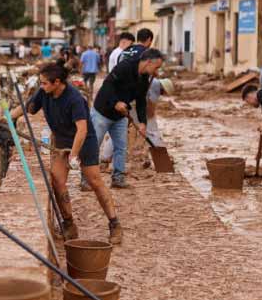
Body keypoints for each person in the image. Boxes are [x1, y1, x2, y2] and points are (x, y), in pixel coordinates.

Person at [9, 62, 123, 244]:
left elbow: (82, 130)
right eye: (41, 83)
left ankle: (114, 223)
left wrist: (73, 156)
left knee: (94, 181)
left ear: (57, 82)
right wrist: (9, 117)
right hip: (61, 141)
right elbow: (28, 108)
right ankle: (69, 224)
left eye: (45, 83)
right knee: (57, 180)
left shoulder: (74, 99)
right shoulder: (44, 92)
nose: (42, 86)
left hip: (84, 142)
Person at [90, 48, 165, 189]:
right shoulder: (125, 66)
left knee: (121, 147)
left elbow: (141, 101)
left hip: (121, 116)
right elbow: (107, 85)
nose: (157, 71)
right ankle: (87, 179)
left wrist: (142, 122)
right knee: (94, 145)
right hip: (102, 112)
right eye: (157, 67)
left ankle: (118, 178)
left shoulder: (144, 78)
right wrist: (115, 102)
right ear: (148, 62)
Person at [145, 77, 175, 147]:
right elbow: (150, 109)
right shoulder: (156, 87)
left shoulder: (153, 81)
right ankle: (157, 145)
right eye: (164, 93)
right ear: (164, 88)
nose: (163, 94)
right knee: (152, 128)